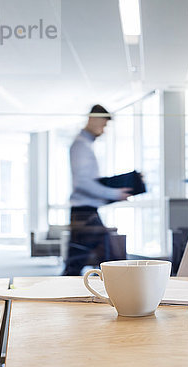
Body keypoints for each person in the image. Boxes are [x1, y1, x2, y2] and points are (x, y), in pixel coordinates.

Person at [62, 104, 132, 276]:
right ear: (93, 119)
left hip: (86, 213)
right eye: (103, 123)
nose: (104, 129)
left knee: (79, 262)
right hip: (84, 214)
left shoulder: (84, 144)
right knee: (110, 259)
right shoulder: (81, 145)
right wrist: (114, 193)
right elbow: (83, 183)